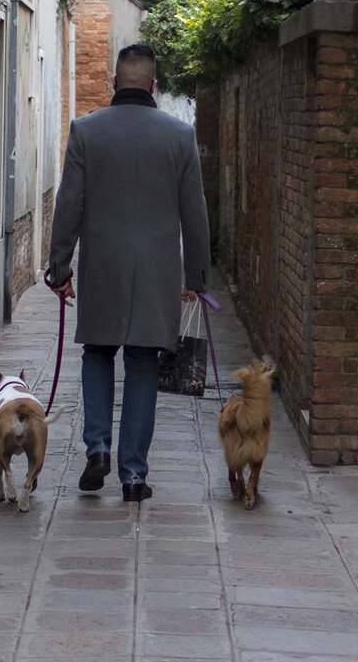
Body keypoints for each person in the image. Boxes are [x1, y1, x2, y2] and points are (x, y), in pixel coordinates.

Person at [46, 43, 210, 502]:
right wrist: (197, 276)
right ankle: (133, 475)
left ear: (113, 83)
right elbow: (195, 213)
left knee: (97, 354)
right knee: (142, 365)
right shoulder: (180, 136)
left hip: (102, 268)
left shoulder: (86, 130)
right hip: (156, 272)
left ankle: (97, 446)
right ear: (154, 86)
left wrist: (59, 268)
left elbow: (68, 206)